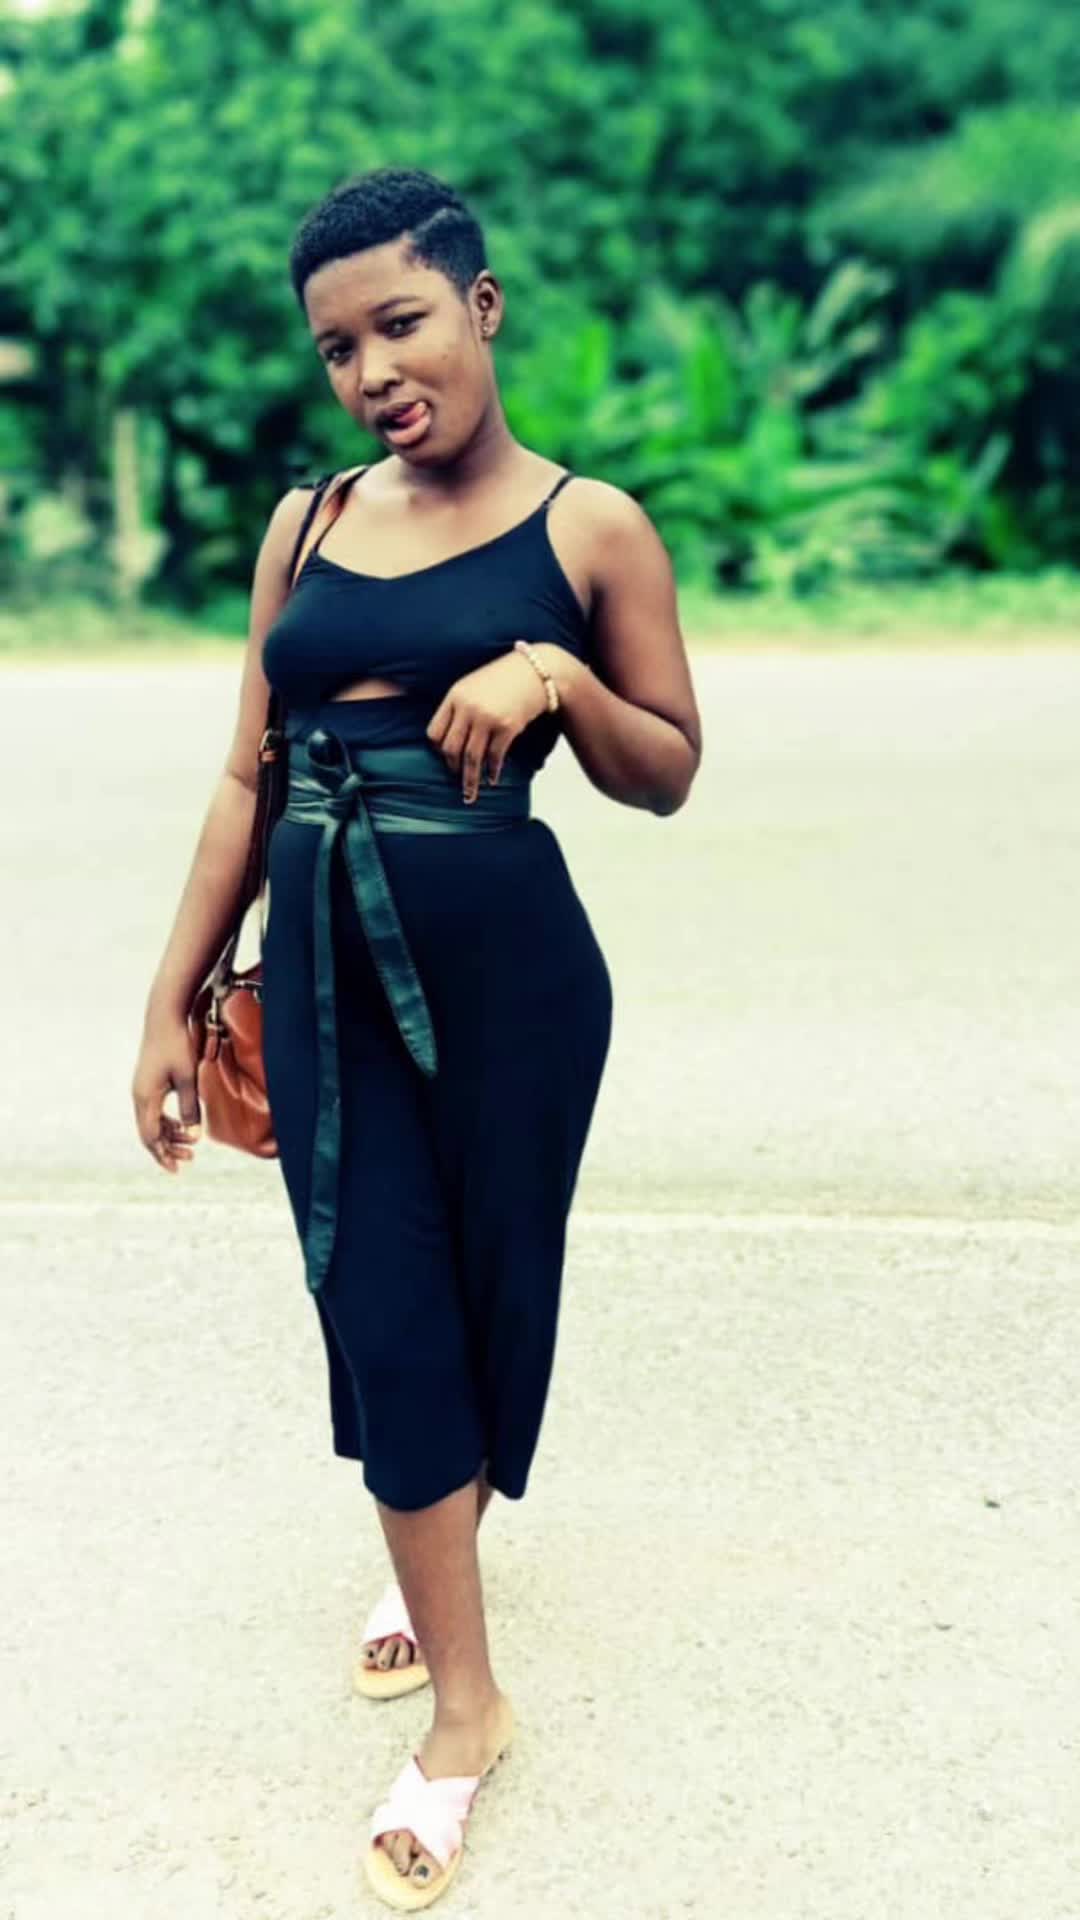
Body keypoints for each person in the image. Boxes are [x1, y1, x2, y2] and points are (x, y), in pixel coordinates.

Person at [131, 165, 702, 1910]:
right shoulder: (304, 525)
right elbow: (246, 775)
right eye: (338, 348)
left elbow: (669, 768)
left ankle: (430, 1551)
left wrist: (561, 680)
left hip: (514, 983)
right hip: (320, 978)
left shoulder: (590, 528)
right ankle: (467, 1710)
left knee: (483, 1287)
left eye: (401, 324)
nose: (374, 372)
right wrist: (169, 997)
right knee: (376, 1304)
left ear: (482, 306)